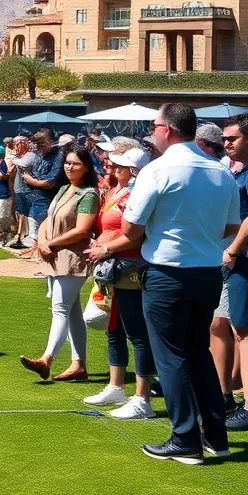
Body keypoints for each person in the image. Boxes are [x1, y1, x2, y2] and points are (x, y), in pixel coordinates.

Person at [121, 104, 237, 464]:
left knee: (170, 356)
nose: (152, 132)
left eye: (154, 125)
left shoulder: (157, 170)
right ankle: (215, 436)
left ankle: (185, 437)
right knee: (198, 352)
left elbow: (130, 229)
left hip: (168, 273)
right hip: (207, 271)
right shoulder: (220, 171)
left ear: (167, 129)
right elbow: (230, 226)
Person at [82, 147, 157, 419]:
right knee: (114, 329)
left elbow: (136, 235)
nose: (112, 168)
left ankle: (142, 397)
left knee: (136, 332)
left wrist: (106, 248)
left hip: (129, 266)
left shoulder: (135, 193)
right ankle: (116, 386)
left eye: (119, 166)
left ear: (132, 171)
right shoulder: (117, 190)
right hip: (114, 267)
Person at [19, 145, 98, 382]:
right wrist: (43, 241)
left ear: (86, 168)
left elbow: (82, 230)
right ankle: (78, 364)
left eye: (75, 163)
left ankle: (47, 359)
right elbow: (48, 219)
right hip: (55, 256)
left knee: (60, 309)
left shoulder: (88, 194)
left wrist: (50, 243)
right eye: (67, 162)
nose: (69, 167)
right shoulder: (64, 189)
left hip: (72, 258)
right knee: (71, 312)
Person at [217, 114, 248, 431]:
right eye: (224, 138)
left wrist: (233, 250)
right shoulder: (239, 171)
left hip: (242, 261)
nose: (226, 143)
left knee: (243, 331)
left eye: (232, 138)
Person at [21, 130, 63, 248]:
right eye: (37, 146)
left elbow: (50, 183)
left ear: (50, 142)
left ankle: (41, 250)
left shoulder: (58, 156)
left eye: (41, 145)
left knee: (45, 229)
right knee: (35, 230)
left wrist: (31, 180)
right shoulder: (40, 155)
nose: (39, 149)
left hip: (48, 199)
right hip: (36, 198)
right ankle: (35, 249)